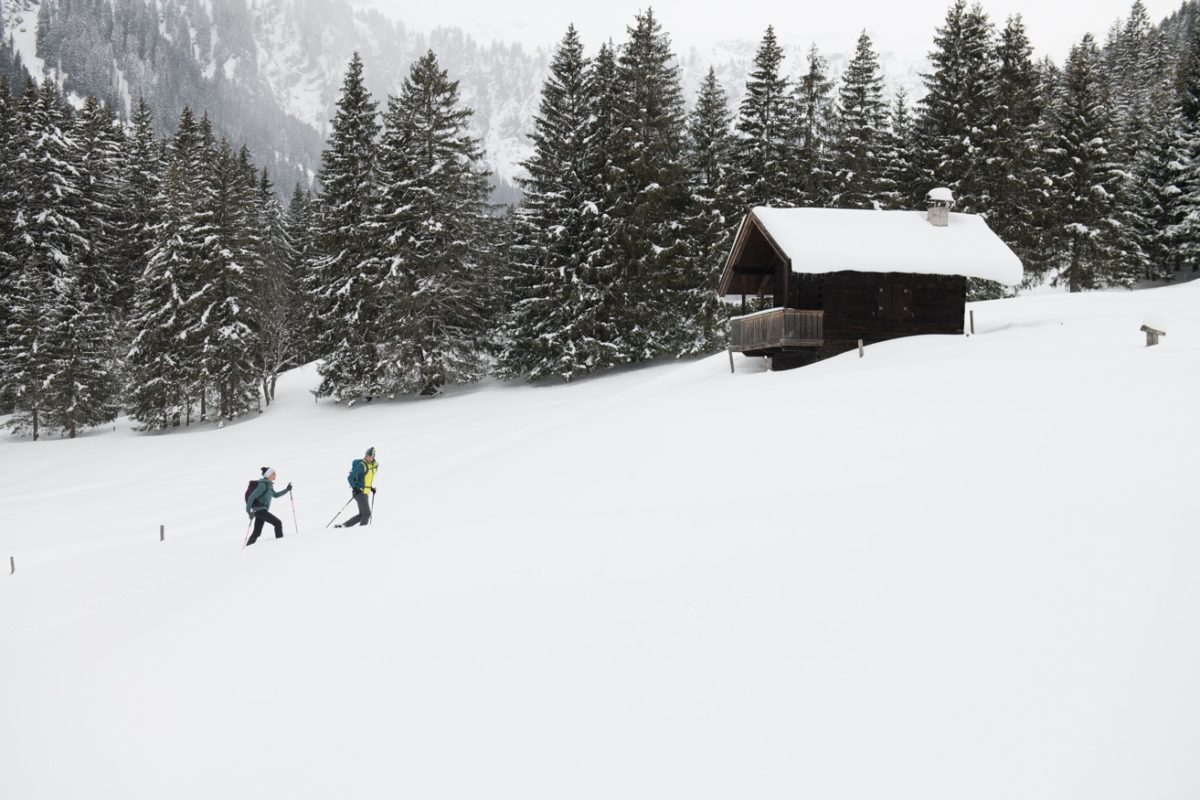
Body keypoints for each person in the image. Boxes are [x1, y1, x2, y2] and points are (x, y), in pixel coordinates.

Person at [246, 467, 293, 545]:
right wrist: (248, 511)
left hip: (261, 510)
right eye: (274, 473)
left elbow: (276, 495)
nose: (275, 475)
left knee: (257, 532)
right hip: (259, 511)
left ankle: (248, 547)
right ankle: (280, 544)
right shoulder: (262, 485)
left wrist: (287, 490)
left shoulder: (269, 485)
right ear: (269, 475)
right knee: (277, 523)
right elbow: (251, 497)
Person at [336, 446, 377, 528]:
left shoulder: (372, 466)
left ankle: (344, 525)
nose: (370, 458)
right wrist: (355, 487)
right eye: (368, 456)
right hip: (359, 492)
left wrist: (370, 488)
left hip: (365, 492)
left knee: (362, 514)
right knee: (367, 514)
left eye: (371, 457)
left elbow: (364, 479)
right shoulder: (362, 466)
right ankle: (362, 532)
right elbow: (350, 477)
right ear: (365, 455)